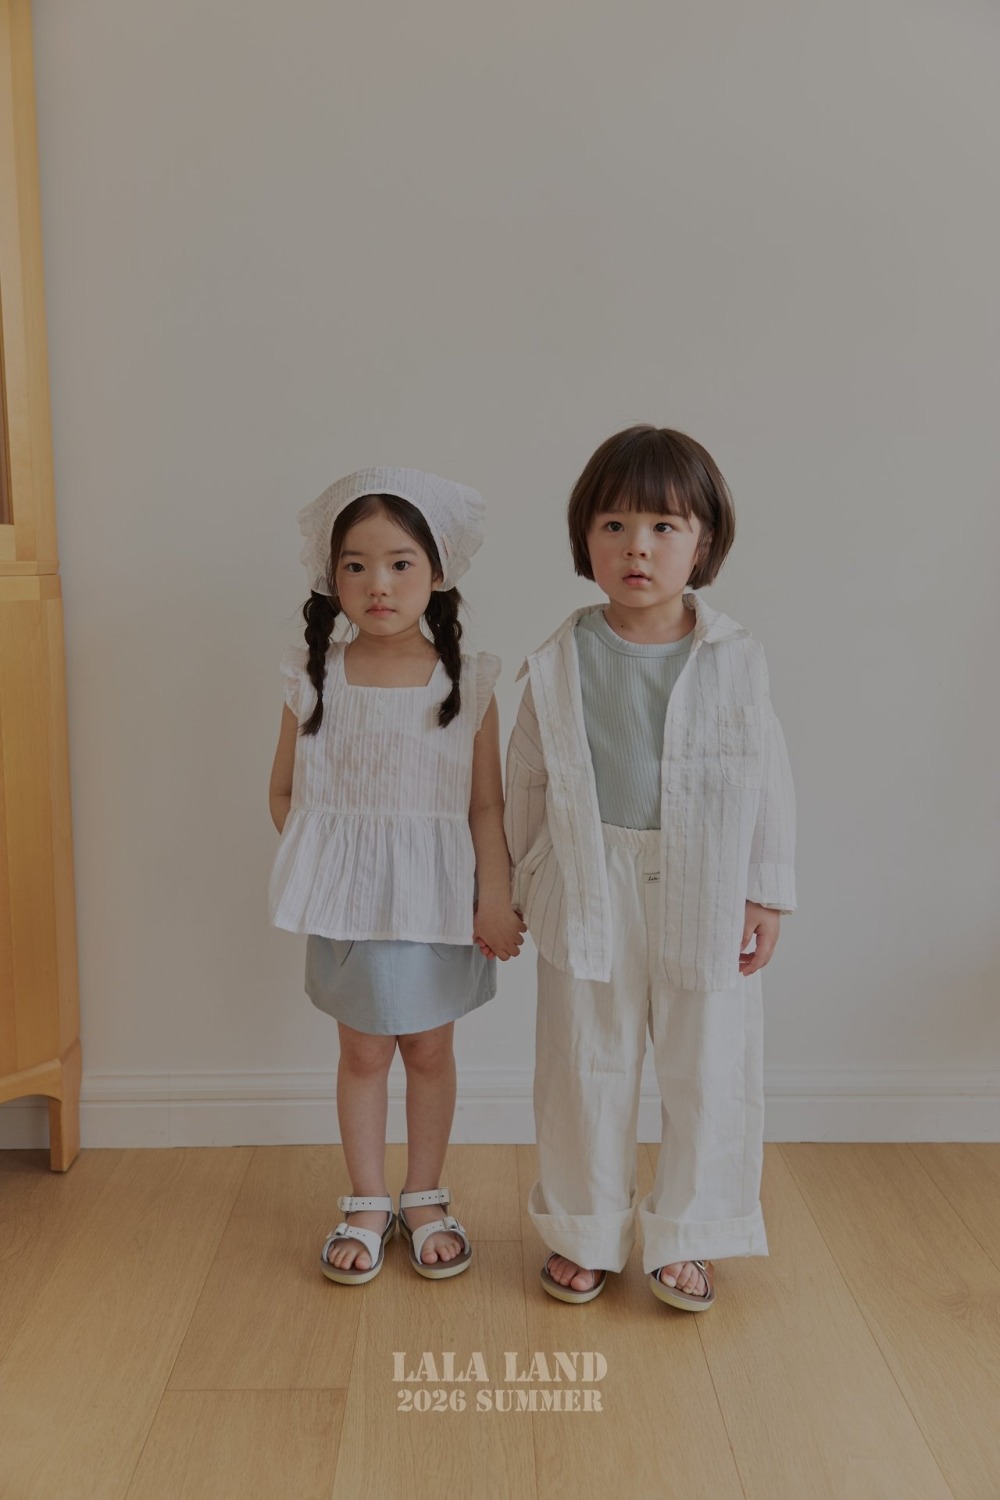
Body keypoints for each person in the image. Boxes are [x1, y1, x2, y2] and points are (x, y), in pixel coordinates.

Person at [504, 426, 796, 1311]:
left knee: (707, 1064)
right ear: (584, 539)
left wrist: (766, 890)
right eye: (615, 525)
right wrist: (525, 883)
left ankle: (690, 1233)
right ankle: (585, 1231)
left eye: (664, 526)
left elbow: (767, 775)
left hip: (705, 880)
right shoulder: (560, 660)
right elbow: (528, 777)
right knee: (583, 1061)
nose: (638, 546)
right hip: (589, 878)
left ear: (703, 543)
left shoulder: (734, 657)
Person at [269, 468, 524, 1286]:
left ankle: (423, 1193)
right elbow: (286, 793)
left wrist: (494, 896)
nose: (377, 583)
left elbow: (486, 805)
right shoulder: (314, 678)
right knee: (362, 1050)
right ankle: (367, 1198)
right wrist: (329, 867)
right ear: (332, 575)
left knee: (429, 1047)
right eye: (356, 564)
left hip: (439, 902)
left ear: (438, 571)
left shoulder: (468, 683)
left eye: (400, 562)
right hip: (350, 906)